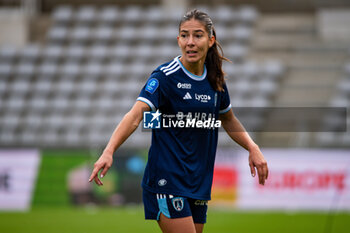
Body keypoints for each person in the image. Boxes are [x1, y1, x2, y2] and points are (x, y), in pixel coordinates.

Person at [89, 9, 268, 233]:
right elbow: (135, 116)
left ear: (211, 40)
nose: (190, 42)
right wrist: (109, 150)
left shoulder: (215, 81)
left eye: (197, 35)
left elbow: (228, 119)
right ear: (178, 40)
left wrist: (252, 147)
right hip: (167, 179)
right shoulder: (165, 76)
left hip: (198, 182)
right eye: (184, 35)